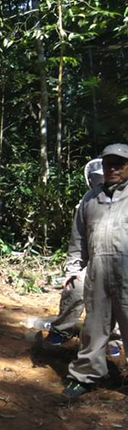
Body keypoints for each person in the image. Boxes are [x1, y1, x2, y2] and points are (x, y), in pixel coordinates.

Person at [62, 143, 128, 398]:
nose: (112, 169)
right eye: (108, 164)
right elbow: (78, 237)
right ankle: (86, 375)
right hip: (98, 271)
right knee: (94, 326)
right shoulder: (91, 199)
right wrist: (72, 268)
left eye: (119, 164)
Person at [44, 159, 122, 356]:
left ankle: (115, 338)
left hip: (122, 265)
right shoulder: (86, 202)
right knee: (75, 289)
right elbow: (78, 242)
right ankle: (62, 329)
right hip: (91, 265)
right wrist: (74, 270)